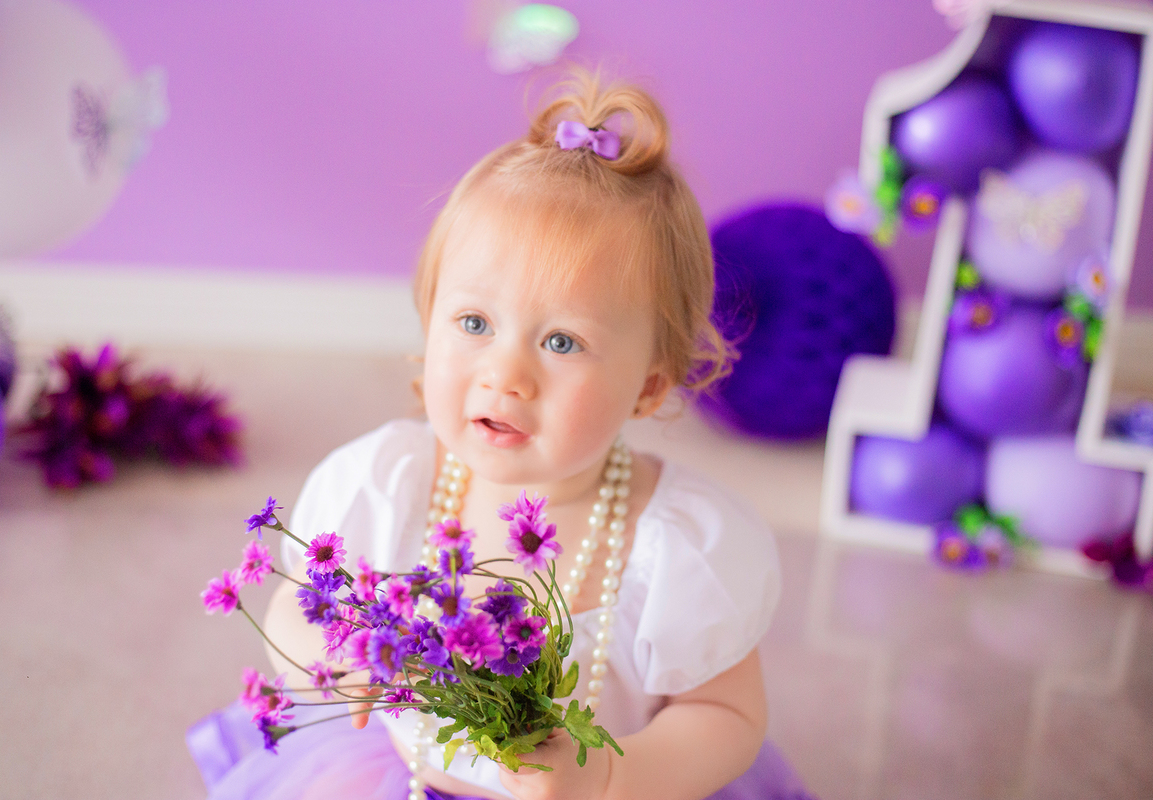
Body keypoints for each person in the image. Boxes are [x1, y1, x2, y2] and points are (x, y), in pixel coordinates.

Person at [190, 69, 814, 800]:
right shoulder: (387, 487)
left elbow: (725, 716)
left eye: (561, 342)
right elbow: (295, 611)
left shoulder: (678, 548)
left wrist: (609, 775)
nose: (505, 374)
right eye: (475, 323)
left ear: (648, 387)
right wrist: (336, 661)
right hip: (400, 777)